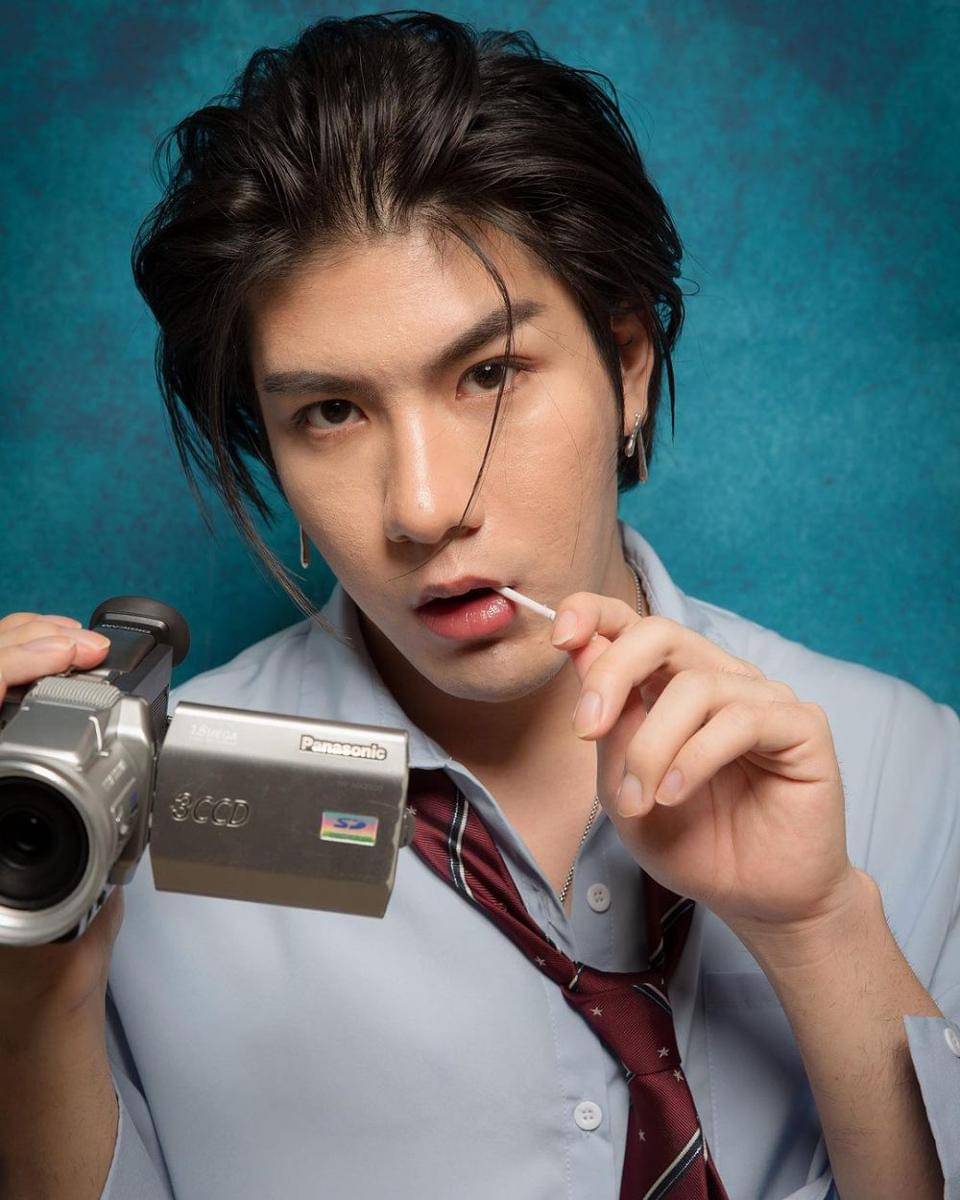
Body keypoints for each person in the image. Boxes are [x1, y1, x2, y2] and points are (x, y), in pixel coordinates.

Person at [1, 11, 957, 1200]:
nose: (423, 505)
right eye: (330, 413)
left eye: (490, 374)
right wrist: (31, 990)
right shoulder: (113, 825)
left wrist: (820, 930)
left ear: (629, 365)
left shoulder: (909, 768)